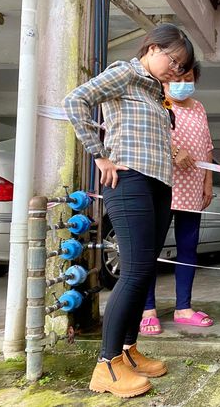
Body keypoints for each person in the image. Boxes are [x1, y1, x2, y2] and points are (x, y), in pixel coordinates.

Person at [63, 23, 192, 398]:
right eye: (173, 61)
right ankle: (106, 365)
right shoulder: (125, 72)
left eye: (181, 67)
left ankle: (128, 350)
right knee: (134, 271)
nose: (176, 71)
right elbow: (75, 101)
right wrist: (99, 155)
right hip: (129, 180)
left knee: (146, 270)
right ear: (152, 48)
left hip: (158, 184)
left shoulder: (156, 92)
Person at [139, 60, 215, 334]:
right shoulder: (156, 102)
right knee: (150, 249)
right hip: (162, 184)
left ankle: (183, 308)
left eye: (189, 78)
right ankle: (147, 309)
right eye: (178, 78)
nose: (183, 83)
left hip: (192, 188)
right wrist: (173, 152)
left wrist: (208, 182)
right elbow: (146, 136)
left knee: (188, 247)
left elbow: (207, 147)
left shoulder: (199, 107)